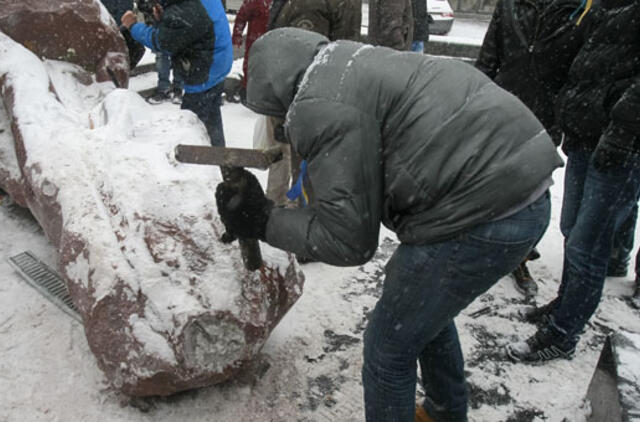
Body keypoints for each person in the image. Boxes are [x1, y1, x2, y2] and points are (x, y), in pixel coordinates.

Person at [215, 27, 562, 422]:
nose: (278, 124)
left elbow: (348, 241)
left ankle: (443, 411)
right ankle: (444, 412)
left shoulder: (320, 104)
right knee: (422, 310)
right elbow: (341, 194)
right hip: (523, 188)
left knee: (388, 348)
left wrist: (262, 221)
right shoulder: (349, 64)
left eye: (275, 115)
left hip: (485, 212)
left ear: (277, 90)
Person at [507, 0, 640, 363]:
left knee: (588, 244)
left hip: (621, 144)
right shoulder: (602, 4)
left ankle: (564, 335)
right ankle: (565, 304)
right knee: (571, 230)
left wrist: (620, 133)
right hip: (586, 133)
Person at [475, 0, 595, 298]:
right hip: (503, 107)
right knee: (491, 179)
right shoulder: (511, 5)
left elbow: (580, 69)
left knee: (532, 192)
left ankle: (520, 255)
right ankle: (481, 245)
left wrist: (564, 111)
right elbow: (489, 57)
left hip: (546, 115)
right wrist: (475, 101)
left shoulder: (579, 8)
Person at [121, 0, 233, 146]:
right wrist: (165, 18)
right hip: (217, 62)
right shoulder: (188, 6)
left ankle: (196, 162)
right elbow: (188, 29)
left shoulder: (186, 9)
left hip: (205, 69)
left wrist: (133, 27)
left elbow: (163, 43)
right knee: (211, 118)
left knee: (190, 127)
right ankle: (219, 157)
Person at [232, 0, 273, 98]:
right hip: (255, 42)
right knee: (251, 66)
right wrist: (237, 35)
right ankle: (248, 91)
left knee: (269, 68)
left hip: (272, 42)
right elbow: (241, 17)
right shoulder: (255, 2)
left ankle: (263, 93)